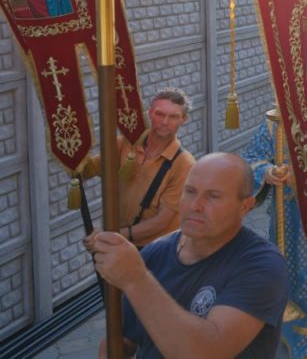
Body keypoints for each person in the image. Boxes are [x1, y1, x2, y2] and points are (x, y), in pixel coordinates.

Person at [92, 153, 289, 357]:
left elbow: (206, 352)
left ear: (245, 206)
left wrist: (136, 279)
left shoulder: (262, 266)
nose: (196, 205)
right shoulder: (155, 253)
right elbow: (125, 340)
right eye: (190, 191)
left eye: (213, 196)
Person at [241, 119, 307, 358]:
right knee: (286, 269)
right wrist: (267, 172)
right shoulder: (274, 122)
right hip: (287, 214)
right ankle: (285, 331)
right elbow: (250, 158)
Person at [83, 89, 197, 248]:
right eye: (159, 114)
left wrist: (111, 235)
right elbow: (87, 171)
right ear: (150, 113)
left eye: (173, 116)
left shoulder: (184, 164)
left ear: (183, 119)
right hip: (119, 242)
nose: (165, 121)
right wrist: (76, 152)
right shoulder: (125, 144)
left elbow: (161, 221)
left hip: (157, 250)